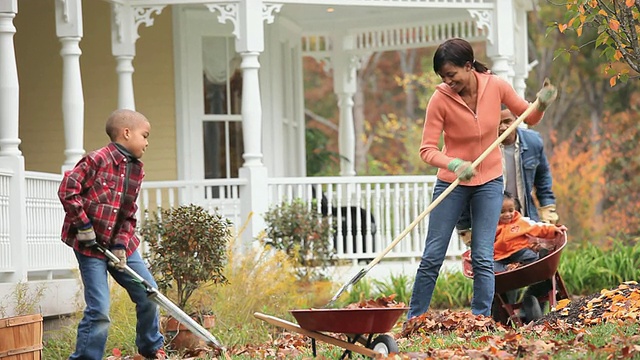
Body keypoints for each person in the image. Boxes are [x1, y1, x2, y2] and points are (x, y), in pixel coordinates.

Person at [407, 37, 557, 320]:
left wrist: (542, 104)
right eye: (443, 77)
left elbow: (529, 116)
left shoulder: (495, 85)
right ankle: (415, 318)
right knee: (433, 255)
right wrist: (452, 162)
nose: (448, 82)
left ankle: (481, 320)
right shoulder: (440, 99)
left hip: (489, 181)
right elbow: (426, 150)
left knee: (483, 255)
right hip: (452, 182)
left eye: (452, 75)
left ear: (468, 66)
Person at [58, 109, 165, 359]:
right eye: (145, 135)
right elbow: (68, 190)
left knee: (149, 292)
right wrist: (84, 227)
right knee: (100, 310)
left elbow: (129, 212)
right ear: (126, 133)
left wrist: (120, 245)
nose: (147, 143)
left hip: (120, 247)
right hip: (89, 248)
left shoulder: (137, 170)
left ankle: (151, 349)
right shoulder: (96, 160)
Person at [456, 108, 559, 245]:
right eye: (497, 123)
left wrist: (547, 209)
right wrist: (465, 227)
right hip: (491, 220)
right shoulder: (479, 148)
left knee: (530, 255)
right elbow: (463, 189)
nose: (503, 127)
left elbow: (543, 179)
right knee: (494, 260)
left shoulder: (533, 142)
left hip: (524, 214)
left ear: (516, 119)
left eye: (507, 121)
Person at [493, 191, 566, 322]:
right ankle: (507, 268)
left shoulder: (520, 221)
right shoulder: (490, 226)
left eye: (511, 210)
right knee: (492, 269)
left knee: (534, 260)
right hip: (500, 257)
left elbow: (537, 228)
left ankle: (523, 266)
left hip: (519, 251)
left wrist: (553, 229)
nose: (508, 214)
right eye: (502, 212)